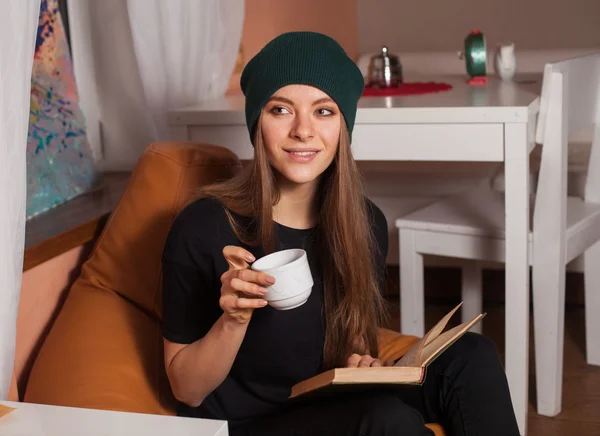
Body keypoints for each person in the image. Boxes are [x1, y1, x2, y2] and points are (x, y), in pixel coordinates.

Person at [161, 31, 521, 436]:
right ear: (257, 122)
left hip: (320, 401)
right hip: (243, 424)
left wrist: (361, 365)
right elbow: (187, 391)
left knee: (471, 354)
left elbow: (348, 346)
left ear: (343, 125)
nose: (302, 130)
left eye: (324, 111)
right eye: (280, 110)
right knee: (389, 421)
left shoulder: (365, 223)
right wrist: (233, 318)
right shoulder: (205, 226)